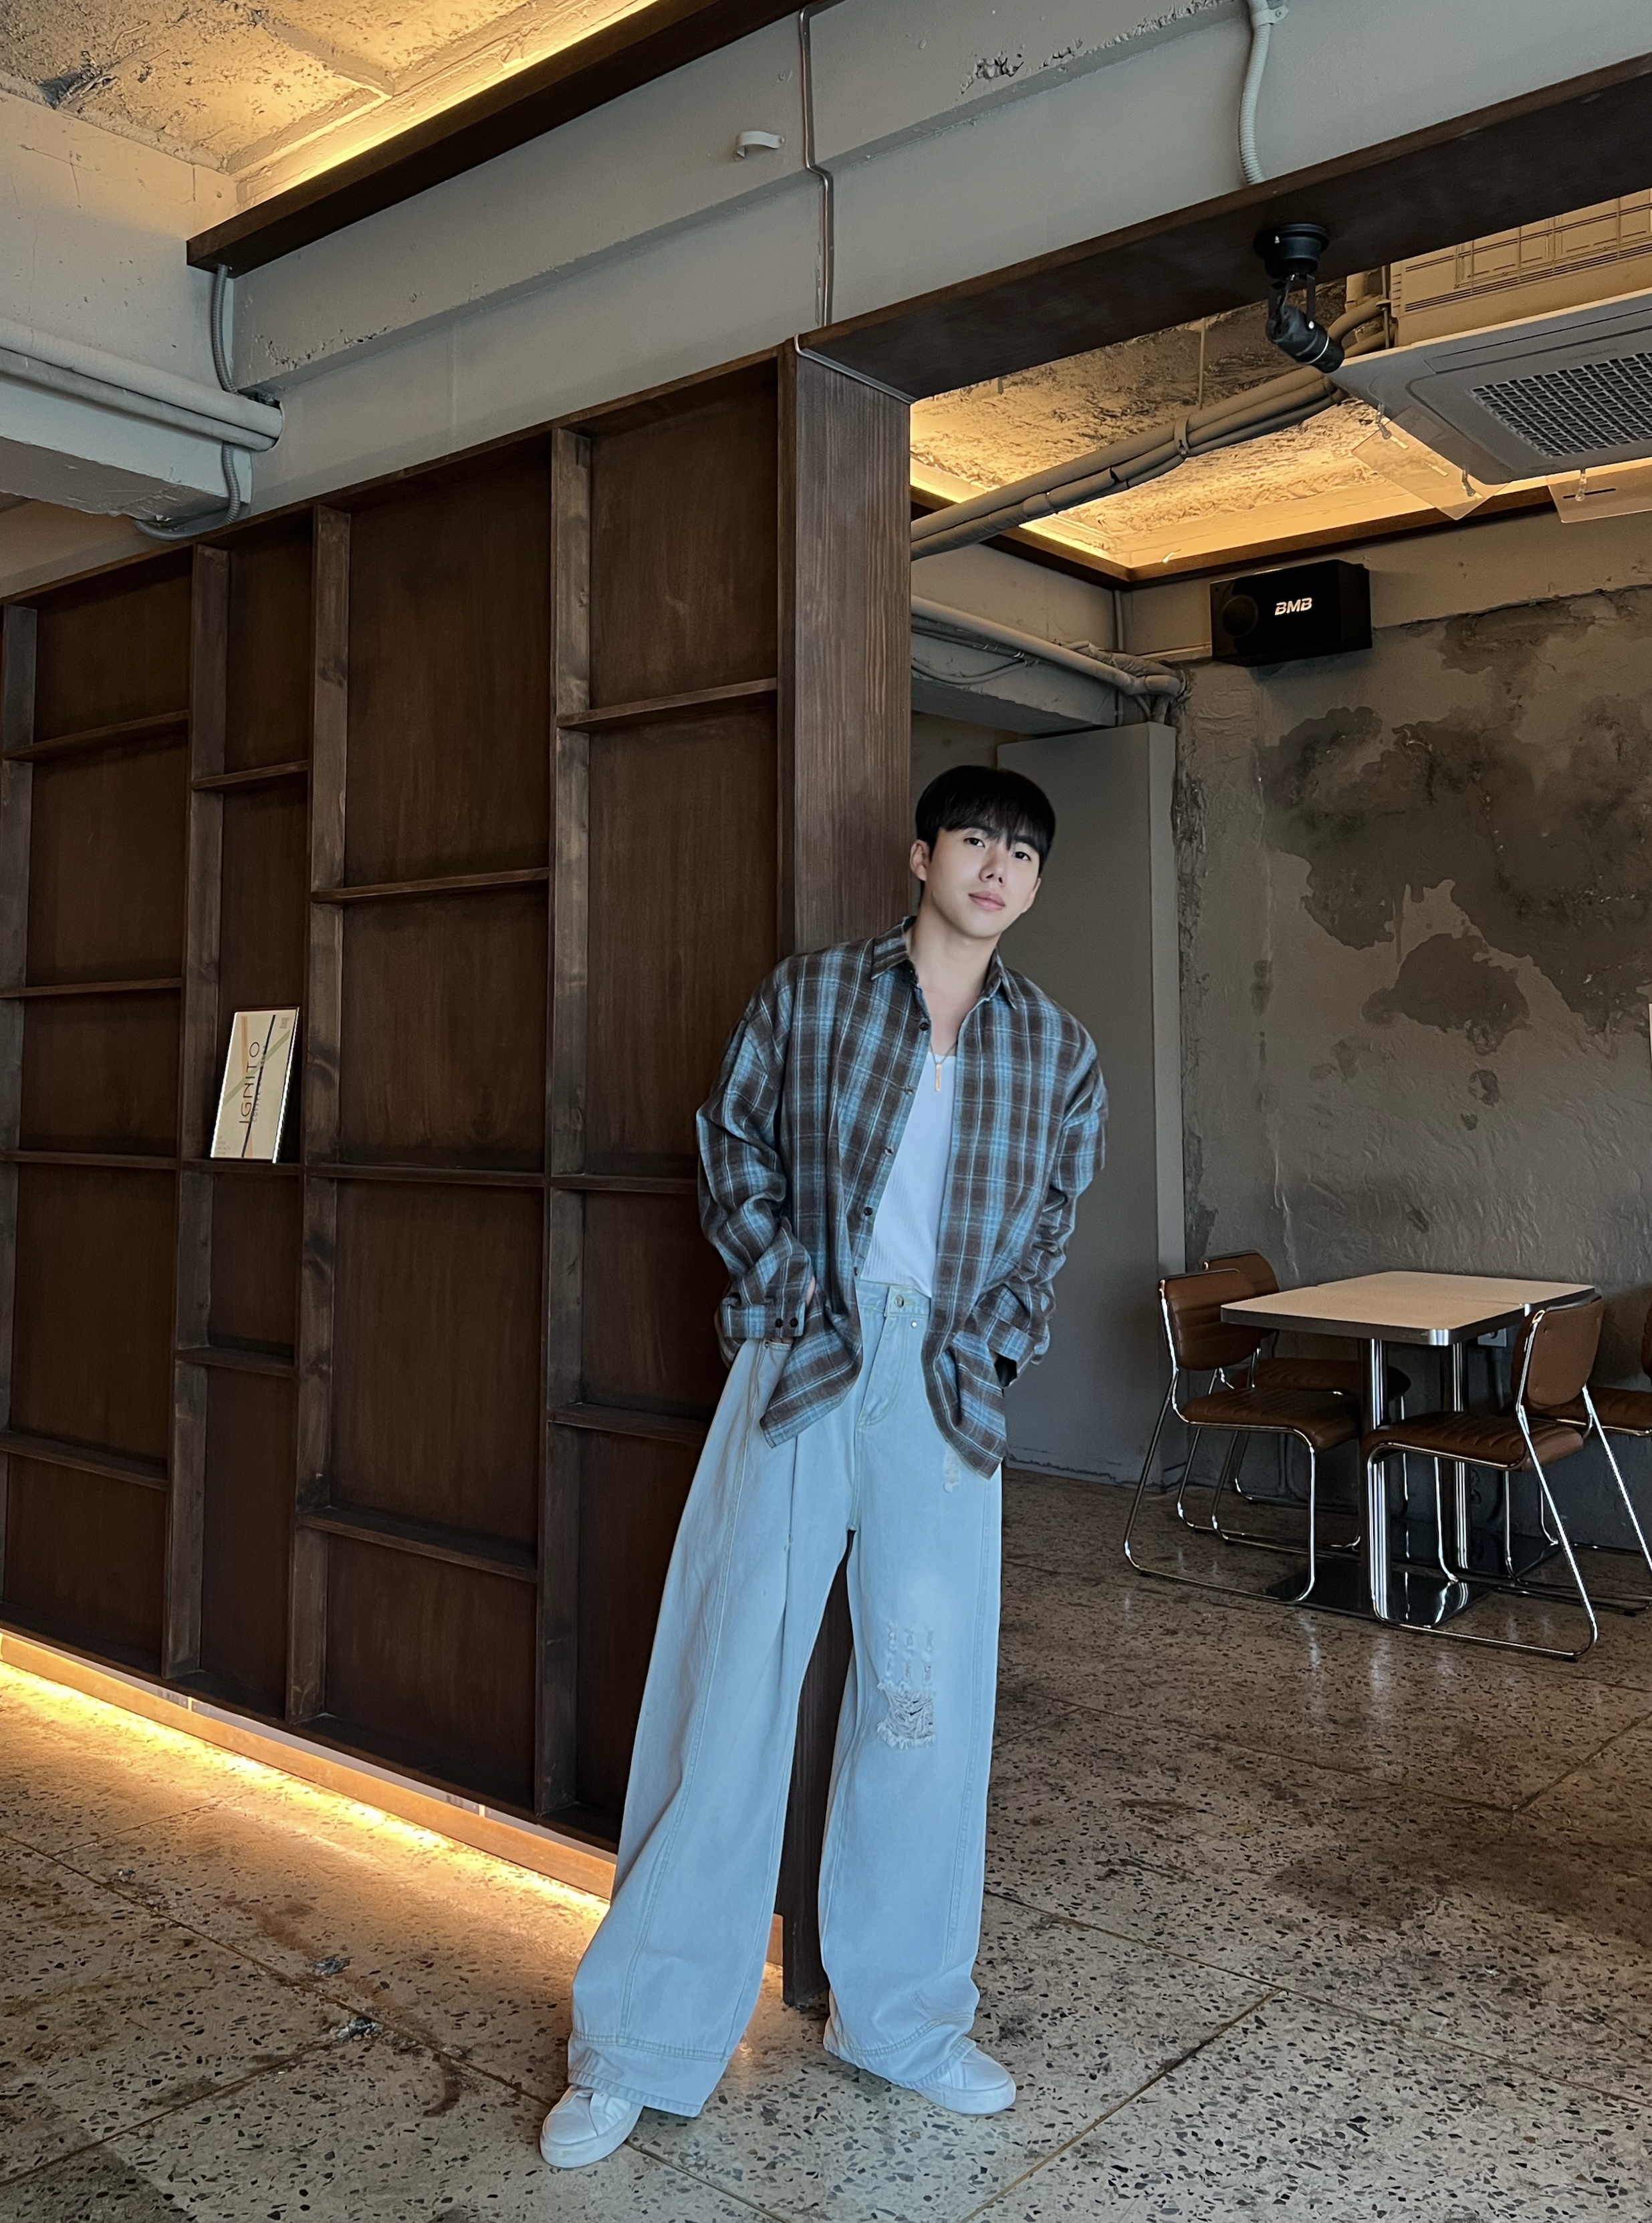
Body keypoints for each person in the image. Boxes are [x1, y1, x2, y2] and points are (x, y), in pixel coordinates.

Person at [540, 764, 1105, 2170]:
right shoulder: (813, 996)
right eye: (975, 839)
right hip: (801, 1359)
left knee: (926, 1707)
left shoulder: (1058, 1048)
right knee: (727, 1683)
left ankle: (901, 2022)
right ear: (922, 854)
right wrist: (794, 1292)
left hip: (946, 1387)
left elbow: (1053, 1217)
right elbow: (730, 1143)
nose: (998, 867)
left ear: (1037, 884)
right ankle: (636, 2042)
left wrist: (993, 1342)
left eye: (1024, 853)